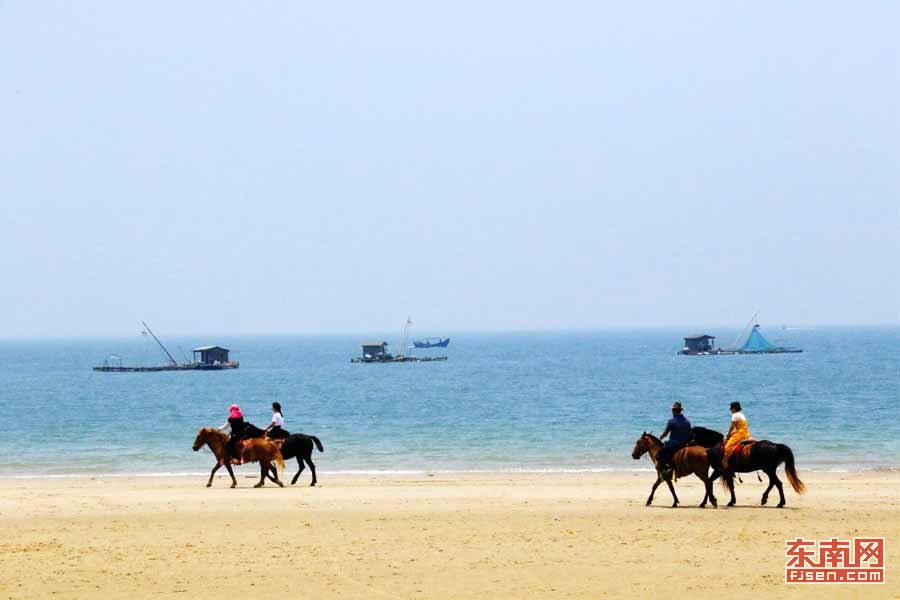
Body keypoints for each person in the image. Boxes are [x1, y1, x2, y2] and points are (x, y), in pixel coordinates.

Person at [658, 402, 691, 473]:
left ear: (674, 411)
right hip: (685, 444)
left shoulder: (671, 421)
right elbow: (689, 433)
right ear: (680, 410)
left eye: (672, 410)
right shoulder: (687, 421)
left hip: (674, 444)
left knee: (660, 453)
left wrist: (661, 437)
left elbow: (666, 433)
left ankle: (668, 467)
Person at [722, 401, 752, 469]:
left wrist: (728, 434)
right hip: (745, 432)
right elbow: (740, 426)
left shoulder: (735, 415)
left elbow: (732, 427)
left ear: (734, 408)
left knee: (727, 446)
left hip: (740, 433)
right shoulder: (741, 414)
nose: (730, 409)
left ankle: (725, 460)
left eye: (731, 408)